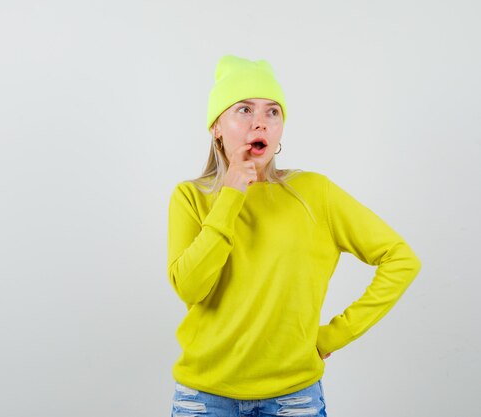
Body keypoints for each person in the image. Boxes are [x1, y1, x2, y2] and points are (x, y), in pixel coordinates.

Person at [167, 55, 422, 417]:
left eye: (273, 112)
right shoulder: (190, 197)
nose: (261, 122)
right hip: (204, 398)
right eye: (244, 109)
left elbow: (401, 259)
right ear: (216, 127)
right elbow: (190, 288)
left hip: (294, 398)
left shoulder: (314, 192)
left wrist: (333, 336)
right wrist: (231, 195)